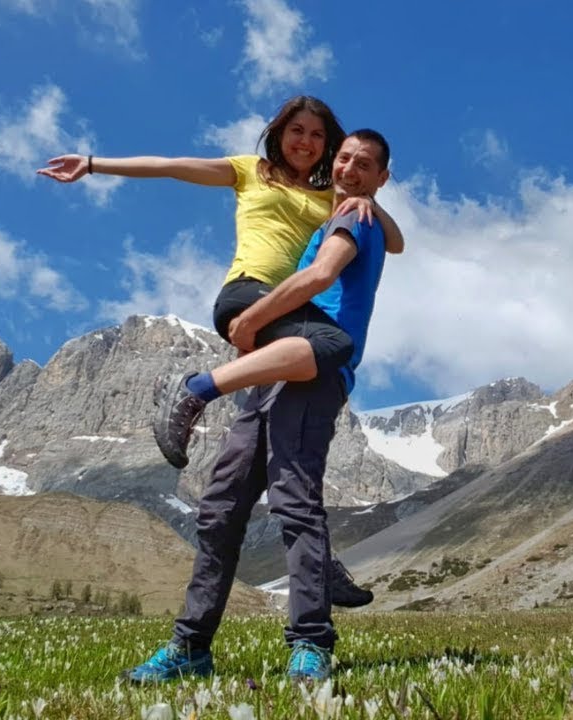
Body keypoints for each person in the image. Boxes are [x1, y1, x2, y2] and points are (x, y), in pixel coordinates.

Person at [36, 96, 383, 607]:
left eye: (315, 134)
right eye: (296, 130)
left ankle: (315, 560)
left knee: (286, 457)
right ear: (279, 134)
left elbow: (388, 240)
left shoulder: (333, 197)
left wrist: (373, 204)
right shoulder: (250, 172)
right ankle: (194, 389)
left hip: (288, 316)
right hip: (250, 294)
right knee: (334, 345)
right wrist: (92, 164)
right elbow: (173, 167)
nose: (305, 142)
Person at [123, 129, 394, 684]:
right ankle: (190, 645)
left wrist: (249, 320)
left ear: (381, 179)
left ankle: (311, 641)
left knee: (294, 499)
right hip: (274, 369)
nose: (349, 170)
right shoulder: (337, 213)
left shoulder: (353, 220)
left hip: (316, 372)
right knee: (221, 509)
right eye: (344, 159)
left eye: (364, 165)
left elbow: (321, 276)